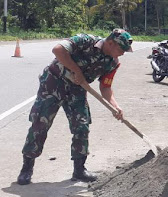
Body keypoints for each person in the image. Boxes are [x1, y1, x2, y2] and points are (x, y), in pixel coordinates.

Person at [17, 29, 133, 185]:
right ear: (110, 43)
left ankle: (79, 170)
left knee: (82, 126)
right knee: (40, 123)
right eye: (121, 49)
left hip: (77, 89)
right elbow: (58, 50)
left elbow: (105, 87)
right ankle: (27, 168)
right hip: (53, 82)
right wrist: (77, 70)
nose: (123, 53)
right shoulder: (85, 40)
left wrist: (115, 106)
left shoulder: (112, 63)